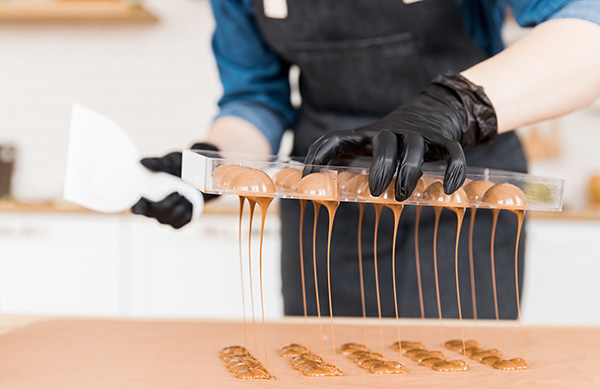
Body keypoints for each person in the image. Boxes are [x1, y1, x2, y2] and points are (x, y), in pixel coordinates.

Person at [133, 0, 600, 320]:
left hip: (458, 201)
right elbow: (256, 97)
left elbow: (588, 26)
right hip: (327, 210)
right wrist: (215, 165)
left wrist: (452, 107)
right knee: (319, 368)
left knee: (451, 372)